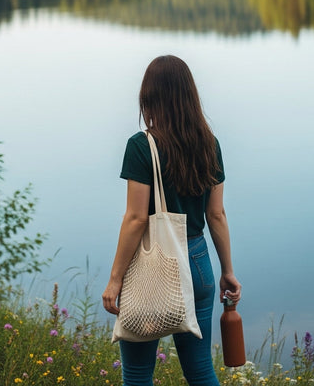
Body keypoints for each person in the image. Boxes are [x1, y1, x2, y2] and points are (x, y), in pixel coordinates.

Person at [102, 55, 242, 386]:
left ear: (149, 96)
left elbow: (136, 218)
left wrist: (115, 279)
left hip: (154, 266)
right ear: (189, 95)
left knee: (137, 375)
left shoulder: (141, 146)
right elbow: (216, 215)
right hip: (198, 264)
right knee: (200, 370)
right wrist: (227, 271)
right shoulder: (209, 143)